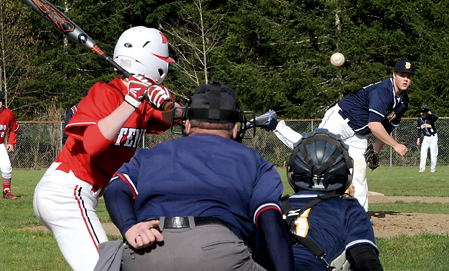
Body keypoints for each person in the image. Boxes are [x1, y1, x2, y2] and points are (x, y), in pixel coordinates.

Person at [102, 80, 295, 271]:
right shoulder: (255, 161)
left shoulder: (150, 154)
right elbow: (271, 223)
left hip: (147, 250)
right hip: (219, 251)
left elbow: (116, 189)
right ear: (235, 129)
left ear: (187, 125)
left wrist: (129, 227)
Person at [33, 26, 179, 271]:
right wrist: (130, 102)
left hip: (83, 194)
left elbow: (171, 119)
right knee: (106, 267)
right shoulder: (105, 92)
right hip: (67, 192)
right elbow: (92, 144)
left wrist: (166, 101)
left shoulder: (141, 101)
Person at [251, 59, 415, 212]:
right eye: (402, 75)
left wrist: (376, 152)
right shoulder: (383, 92)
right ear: (394, 75)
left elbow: (386, 127)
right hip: (341, 120)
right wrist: (395, 145)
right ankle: (273, 124)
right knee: (311, 152)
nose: (405, 79)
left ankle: (360, 215)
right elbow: (374, 125)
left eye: (409, 76)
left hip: (357, 133)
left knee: (359, 169)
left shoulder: (403, 101)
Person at [271, 129, 383, 271]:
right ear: (344, 173)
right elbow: (366, 259)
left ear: (293, 172)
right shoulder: (349, 208)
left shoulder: (275, 208)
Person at [417, 104, 439, 173]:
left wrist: (430, 112)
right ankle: (422, 168)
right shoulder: (419, 120)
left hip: (433, 137)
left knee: (433, 154)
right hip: (426, 138)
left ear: (426, 112)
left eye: (423, 112)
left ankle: (433, 169)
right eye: (421, 112)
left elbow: (436, 117)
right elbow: (419, 130)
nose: (422, 113)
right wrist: (418, 138)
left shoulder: (430, 117)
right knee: (423, 153)